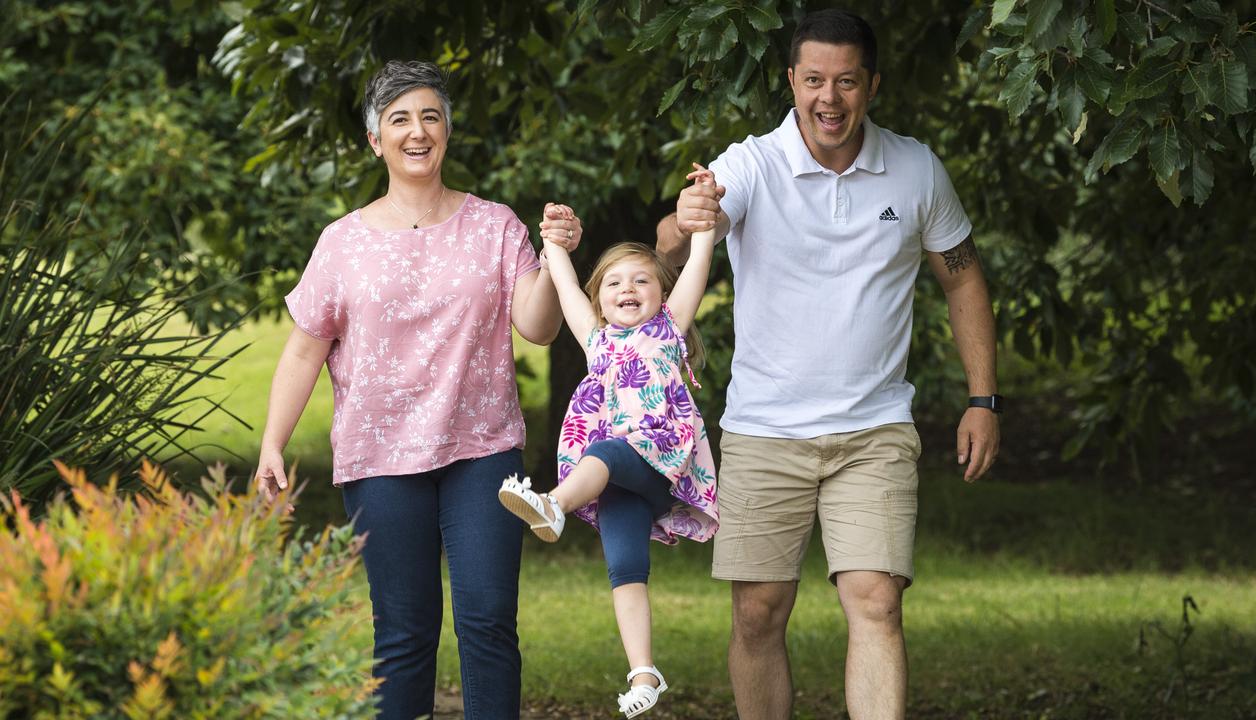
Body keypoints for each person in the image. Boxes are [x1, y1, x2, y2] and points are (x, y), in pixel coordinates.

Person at [656, 9, 1001, 720]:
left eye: (846, 81)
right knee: (757, 612)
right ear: (791, 80)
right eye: (814, 79)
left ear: (871, 85)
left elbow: (962, 277)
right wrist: (688, 216)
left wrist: (983, 400)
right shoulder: (751, 163)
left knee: (876, 602)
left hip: (874, 428)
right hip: (763, 428)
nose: (829, 98)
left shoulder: (915, 169)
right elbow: (681, 232)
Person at [254, 60, 578, 720]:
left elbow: (539, 328)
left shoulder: (495, 227)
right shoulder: (341, 243)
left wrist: (555, 259)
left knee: (488, 626)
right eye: (399, 119)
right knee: (403, 638)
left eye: (431, 116)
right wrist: (271, 445)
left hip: (483, 450)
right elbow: (303, 349)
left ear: (448, 132)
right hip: (379, 461)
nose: (417, 131)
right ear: (376, 140)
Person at [497, 194, 720, 719]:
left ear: (662, 293)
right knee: (625, 568)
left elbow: (698, 269)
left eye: (642, 281)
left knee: (604, 451)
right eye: (615, 283)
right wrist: (552, 241)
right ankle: (644, 672)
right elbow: (568, 287)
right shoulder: (595, 337)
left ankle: (552, 503)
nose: (628, 290)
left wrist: (706, 225)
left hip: (657, 457)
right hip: (618, 482)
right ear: (601, 300)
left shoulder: (669, 329)